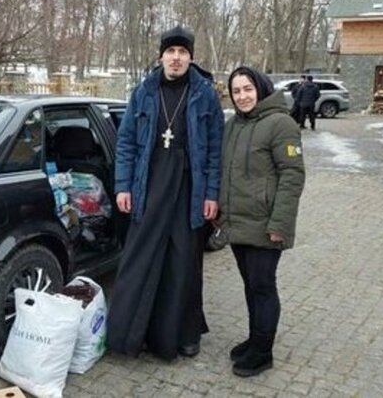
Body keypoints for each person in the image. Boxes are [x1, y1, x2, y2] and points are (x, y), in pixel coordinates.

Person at [107, 25, 224, 360]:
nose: (176, 58)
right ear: (161, 56)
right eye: (170, 52)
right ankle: (131, 336)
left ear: (190, 57)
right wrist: (123, 186)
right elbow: (126, 142)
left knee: (183, 262)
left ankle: (183, 335)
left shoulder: (205, 94)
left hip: (189, 188)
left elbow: (215, 149)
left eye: (182, 53)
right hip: (149, 184)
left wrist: (212, 194)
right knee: (140, 259)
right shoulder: (143, 91)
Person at [218, 66, 305, 377]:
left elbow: (292, 176)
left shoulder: (280, 124)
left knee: (263, 286)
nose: (242, 96)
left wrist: (279, 223)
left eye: (247, 89)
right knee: (250, 285)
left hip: (266, 225)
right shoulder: (233, 126)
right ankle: (255, 339)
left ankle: (263, 352)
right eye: (236, 91)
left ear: (261, 88)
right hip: (238, 224)